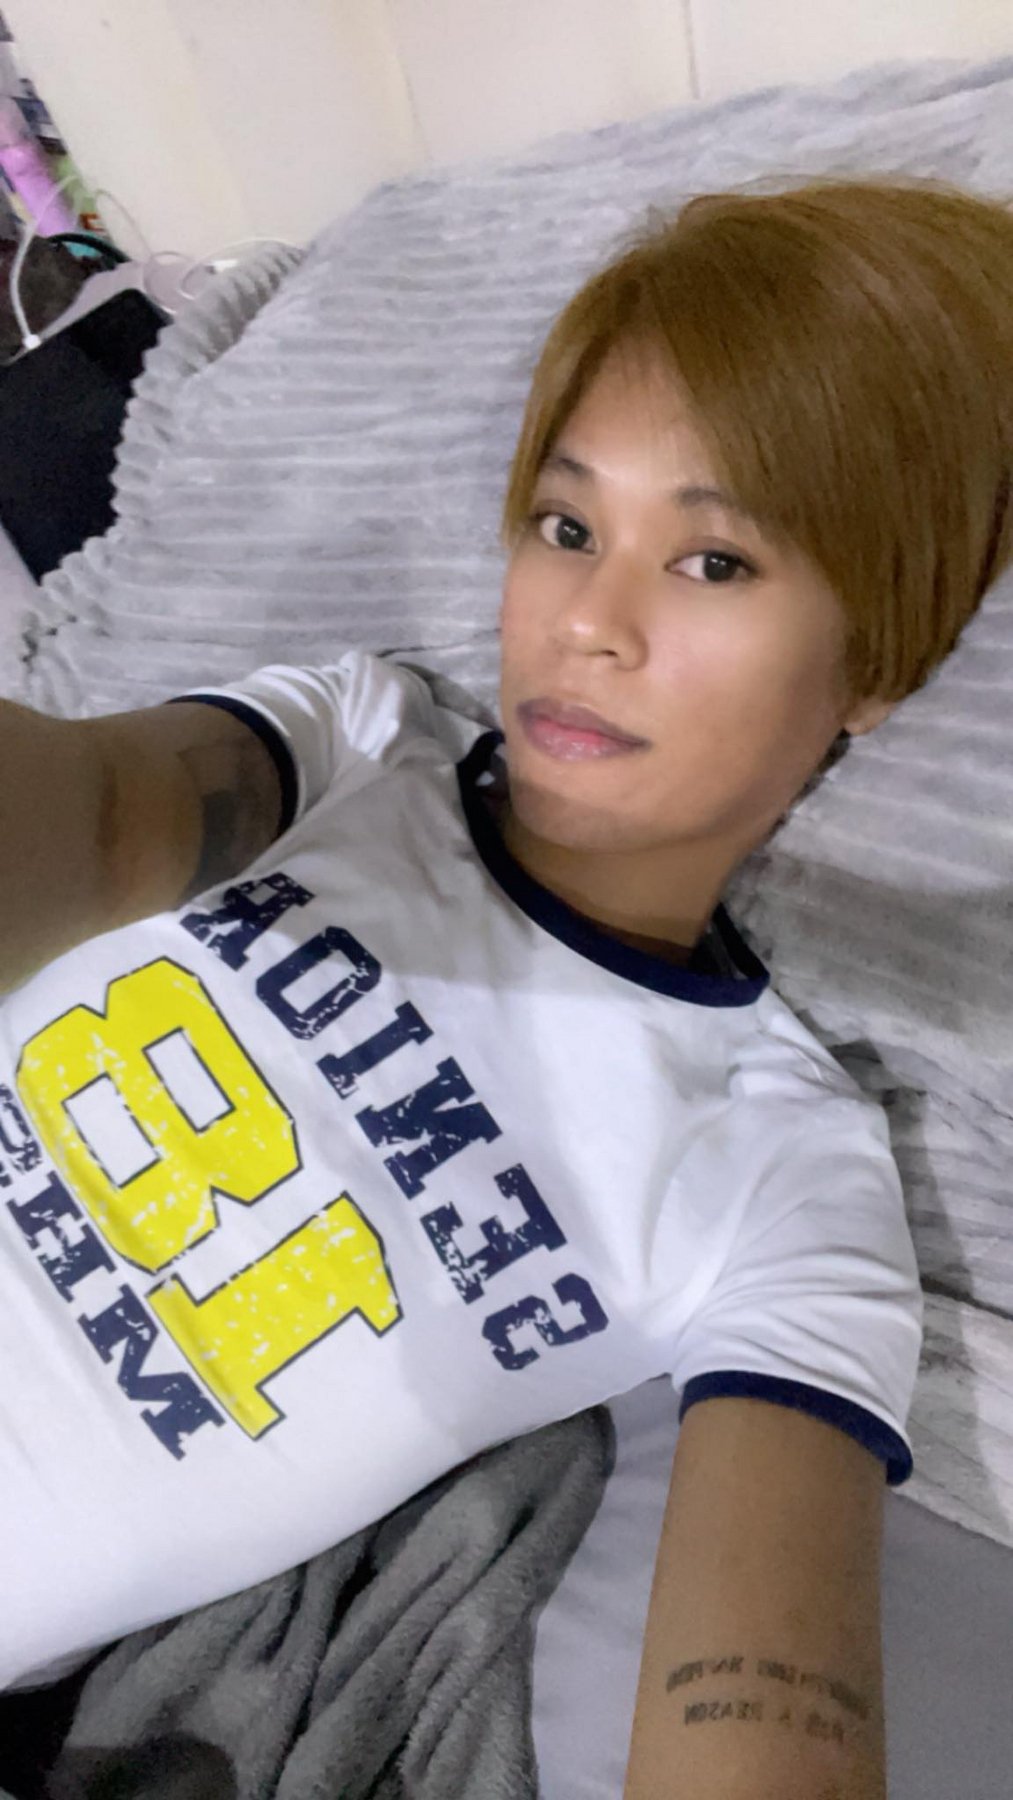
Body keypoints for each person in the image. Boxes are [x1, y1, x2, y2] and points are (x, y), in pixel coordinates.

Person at [1, 170, 1011, 1797]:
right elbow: (103, 811)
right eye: (566, 527)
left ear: (876, 665)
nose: (585, 624)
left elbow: (766, 1721)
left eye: (713, 562)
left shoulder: (779, 1181)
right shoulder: (349, 746)